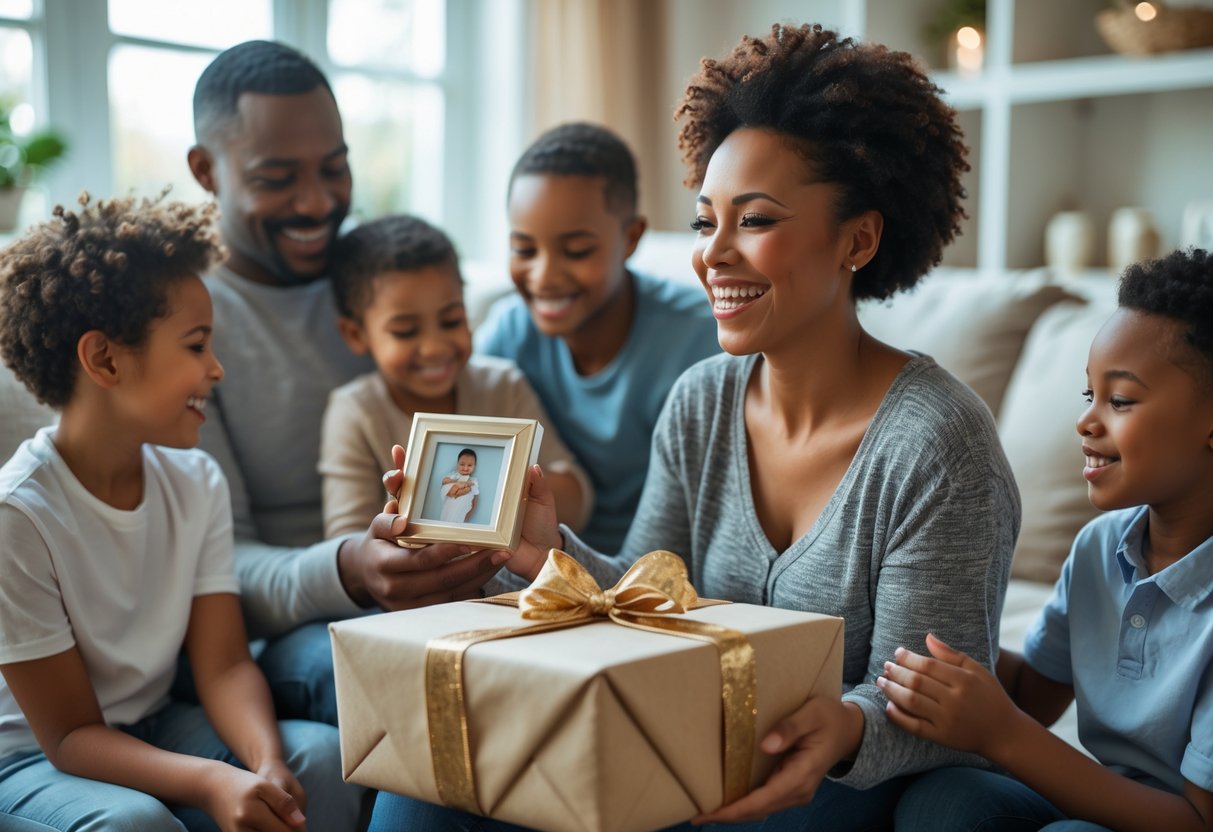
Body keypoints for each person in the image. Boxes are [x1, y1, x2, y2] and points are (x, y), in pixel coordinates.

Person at [371, 23, 1017, 831]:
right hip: (692, 741)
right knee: (426, 787)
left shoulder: (936, 444)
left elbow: (936, 710)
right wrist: (542, 552)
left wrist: (844, 726)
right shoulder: (702, 400)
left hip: (834, 784)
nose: (712, 253)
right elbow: (649, 602)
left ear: (858, 237)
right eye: (705, 220)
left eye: (753, 221)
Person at [0, 194, 364, 830]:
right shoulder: (18, 517)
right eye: (196, 346)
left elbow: (222, 664)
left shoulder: (195, 480)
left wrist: (264, 760)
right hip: (32, 757)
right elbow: (69, 736)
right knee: (133, 823)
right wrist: (211, 780)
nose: (216, 369)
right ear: (104, 359)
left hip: (154, 722)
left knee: (318, 760)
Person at [185, 41, 507, 726]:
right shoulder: (189, 325)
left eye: (335, 169)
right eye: (277, 177)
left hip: (453, 582)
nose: (318, 202)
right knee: (407, 679)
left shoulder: (379, 272)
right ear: (206, 171)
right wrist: (348, 571)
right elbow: (214, 563)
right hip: (292, 628)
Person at [882, 247, 1213, 832]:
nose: (1087, 422)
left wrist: (1003, 734)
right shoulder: (1098, 548)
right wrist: (907, 630)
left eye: (1121, 400)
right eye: (1090, 396)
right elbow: (1029, 693)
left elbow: (1194, 820)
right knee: (944, 799)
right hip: (1101, 802)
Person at [474, 121, 719, 553]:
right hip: (529, 567)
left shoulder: (699, 339)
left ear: (630, 238)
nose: (544, 276)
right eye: (524, 250)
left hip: (655, 573)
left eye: (576, 251)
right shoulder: (506, 335)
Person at [319, 214, 591, 538]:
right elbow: (346, 542)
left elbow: (578, 497)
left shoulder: (503, 385)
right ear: (355, 334)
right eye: (405, 331)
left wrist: (508, 491)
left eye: (451, 321)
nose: (434, 348)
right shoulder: (356, 413)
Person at [440, 450, 479, 523]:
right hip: (449, 508)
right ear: (457, 464)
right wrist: (457, 482)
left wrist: (469, 514)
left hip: (461, 513)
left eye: (470, 465)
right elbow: (444, 481)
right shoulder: (453, 476)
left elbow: (475, 500)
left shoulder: (473, 481)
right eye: (462, 464)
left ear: (474, 466)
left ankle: (461, 488)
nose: (465, 468)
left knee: (468, 488)